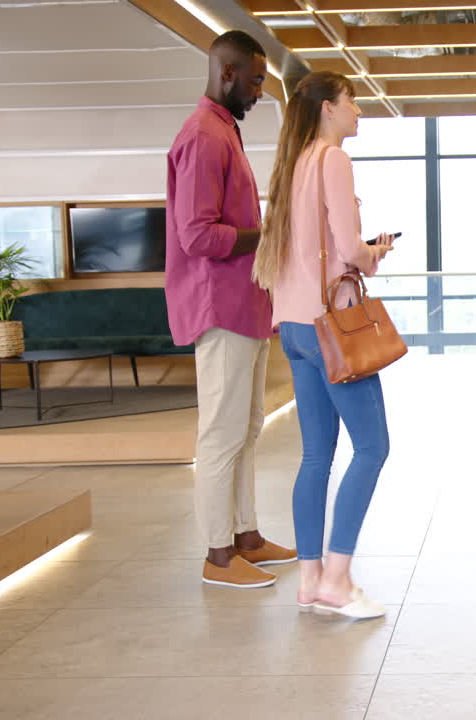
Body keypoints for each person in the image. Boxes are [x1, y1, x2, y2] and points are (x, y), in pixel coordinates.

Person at [252, 71, 396, 619]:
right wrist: (373, 253)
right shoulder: (333, 159)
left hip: (292, 327)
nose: (358, 110)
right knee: (372, 447)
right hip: (330, 328)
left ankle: (310, 579)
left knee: (315, 455)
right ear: (328, 108)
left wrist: (359, 249)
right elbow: (349, 250)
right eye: (351, 100)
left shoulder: (291, 165)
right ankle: (337, 578)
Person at [166, 30, 296, 589]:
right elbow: (197, 235)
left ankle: (246, 537)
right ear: (227, 73)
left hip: (245, 303)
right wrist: (267, 234)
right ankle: (218, 556)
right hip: (219, 305)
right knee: (221, 434)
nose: (260, 92)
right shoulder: (204, 136)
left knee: (246, 427)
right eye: (256, 81)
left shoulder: (224, 131)